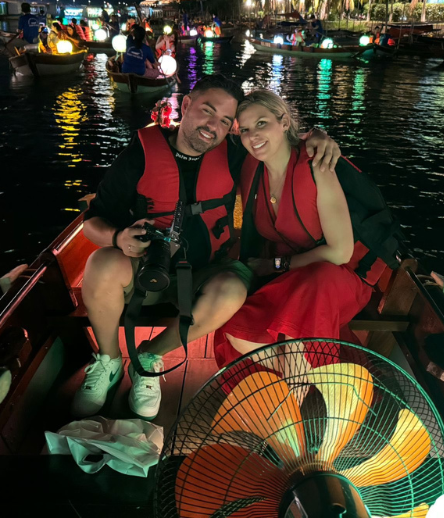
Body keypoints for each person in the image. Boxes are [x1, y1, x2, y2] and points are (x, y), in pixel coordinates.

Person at [71, 75, 341, 420]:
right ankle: (109, 361)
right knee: (100, 263)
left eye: (226, 121)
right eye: (206, 112)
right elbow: (92, 222)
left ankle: (148, 357)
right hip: (148, 270)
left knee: (231, 292)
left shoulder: (233, 153)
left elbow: (275, 140)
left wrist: (315, 135)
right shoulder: (139, 153)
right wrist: (117, 238)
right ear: (185, 106)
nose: (213, 126)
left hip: (210, 269)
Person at [214, 90, 378, 368]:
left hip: (336, 276)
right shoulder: (250, 166)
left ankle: (298, 387)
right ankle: (309, 379)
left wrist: (275, 265)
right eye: (245, 130)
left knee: (316, 282)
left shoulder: (317, 165)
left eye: (262, 123)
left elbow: (340, 252)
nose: (253, 136)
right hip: (287, 275)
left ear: (284, 122)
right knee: (230, 321)